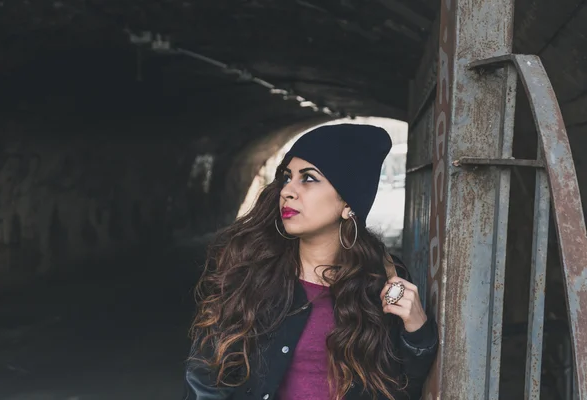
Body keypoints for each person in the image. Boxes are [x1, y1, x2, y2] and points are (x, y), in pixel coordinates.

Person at [183, 124, 438, 400]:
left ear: (348, 204)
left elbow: (403, 388)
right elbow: (206, 381)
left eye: (308, 178)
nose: (287, 191)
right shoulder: (250, 274)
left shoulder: (384, 281)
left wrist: (417, 331)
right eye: (286, 177)